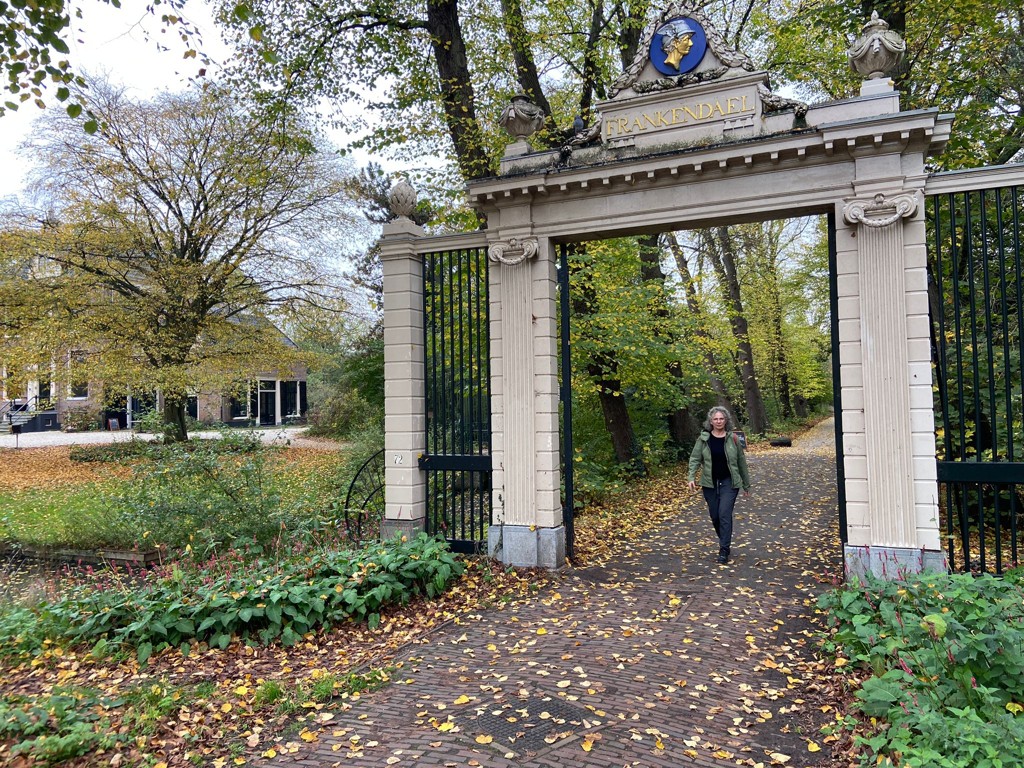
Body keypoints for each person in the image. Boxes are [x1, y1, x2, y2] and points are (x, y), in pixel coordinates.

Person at [687, 406, 751, 564]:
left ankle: (724, 549)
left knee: (724, 514)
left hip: (730, 482)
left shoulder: (733, 439)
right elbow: (695, 459)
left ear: (726, 420)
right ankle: (724, 539)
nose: (718, 421)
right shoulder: (703, 439)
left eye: (721, 418)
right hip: (709, 483)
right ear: (710, 421)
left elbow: (741, 462)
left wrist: (746, 484)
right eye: (715, 419)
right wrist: (691, 477)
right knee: (715, 516)